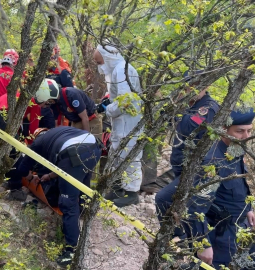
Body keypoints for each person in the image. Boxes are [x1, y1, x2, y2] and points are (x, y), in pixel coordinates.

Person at [155, 109, 255, 270]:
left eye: (249, 131)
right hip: (218, 237)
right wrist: (202, 244)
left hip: (236, 228)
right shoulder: (214, 161)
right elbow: (195, 206)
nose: (246, 136)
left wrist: (248, 208)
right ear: (224, 129)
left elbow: (237, 184)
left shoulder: (234, 149)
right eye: (240, 131)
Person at [17, 126, 102, 266]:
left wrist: (30, 177)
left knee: (68, 203)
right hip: (94, 147)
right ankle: (84, 211)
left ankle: (71, 250)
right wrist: (50, 176)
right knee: (82, 185)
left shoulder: (38, 143)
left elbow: (22, 168)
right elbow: (65, 160)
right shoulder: (61, 132)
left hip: (74, 154)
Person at [93, 43, 143, 207]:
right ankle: (117, 188)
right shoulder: (117, 70)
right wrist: (108, 102)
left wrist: (108, 109)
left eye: (100, 62)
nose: (100, 66)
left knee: (130, 154)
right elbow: (118, 96)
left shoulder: (122, 69)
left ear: (107, 58)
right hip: (122, 120)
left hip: (129, 120)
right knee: (116, 152)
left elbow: (125, 102)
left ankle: (131, 192)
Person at [170, 71, 220, 179]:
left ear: (207, 86)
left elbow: (188, 128)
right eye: (190, 85)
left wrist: (179, 107)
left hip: (194, 167)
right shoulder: (188, 104)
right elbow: (169, 122)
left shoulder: (208, 108)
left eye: (198, 85)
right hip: (179, 162)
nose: (194, 89)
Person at [35, 79, 102, 139]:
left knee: (94, 144)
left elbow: (85, 118)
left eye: (47, 102)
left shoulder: (71, 95)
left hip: (91, 120)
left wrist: (86, 138)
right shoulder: (54, 103)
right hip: (76, 122)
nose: (47, 104)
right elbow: (58, 123)